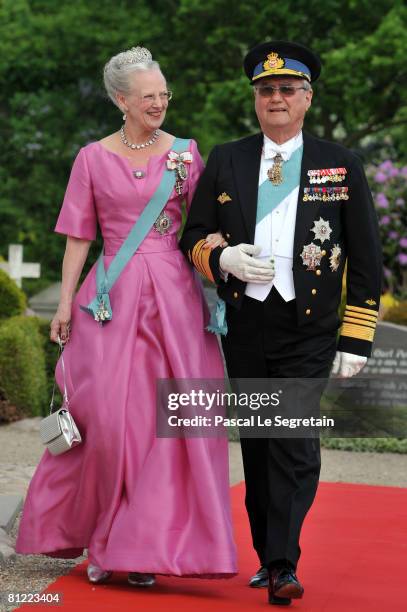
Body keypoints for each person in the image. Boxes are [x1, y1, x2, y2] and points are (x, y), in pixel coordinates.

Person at [15, 46, 237, 586]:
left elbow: (201, 226)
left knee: (168, 427)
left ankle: (141, 550)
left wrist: (223, 254)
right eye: (148, 96)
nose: (160, 103)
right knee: (110, 427)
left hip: (176, 304)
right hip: (108, 301)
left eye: (164, 94)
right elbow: (77, 239)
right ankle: (103, 538)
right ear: (121, 99)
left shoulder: (186, 152)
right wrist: (65, 303)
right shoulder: (91, 158)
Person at [180, 40, 382, 606]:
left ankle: (283, 563)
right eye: (266, 90)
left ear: (306, 98)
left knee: (293, 441)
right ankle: (271, 554)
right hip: (247, 321)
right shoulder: (227, 158)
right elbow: (191, 235)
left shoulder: (339, 163)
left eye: (287, 89)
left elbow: (365, 258)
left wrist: (358, 334)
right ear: (255, 99)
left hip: (309, 323)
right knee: (258, 443)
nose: (276, 98)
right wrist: (221, 259)